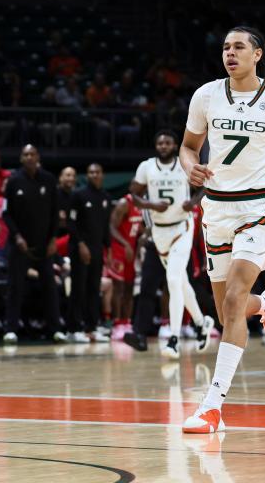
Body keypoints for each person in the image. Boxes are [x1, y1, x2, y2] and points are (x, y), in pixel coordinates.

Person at [180, 27, 265, 434]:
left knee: (235, 299)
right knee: (227, 312)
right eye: (225, 47)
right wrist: (190, 167)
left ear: (257, 54)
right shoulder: (205, 95)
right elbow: (188, 146)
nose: (229, 53)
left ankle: (212, 406)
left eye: (238, 47)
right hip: (215, 209)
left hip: (258, 207)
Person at [123, 130, 213, 358]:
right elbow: (134, 194)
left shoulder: (184, 164)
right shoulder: (146, 167)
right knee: (181, 283)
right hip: (159, 231)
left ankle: (173, 340)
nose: (163, 145)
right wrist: (151, 205)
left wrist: (192, 202)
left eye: (168, 142)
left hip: (182, 227)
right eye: (160, 142)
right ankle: (202, 323)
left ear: (174, 146)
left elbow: (206, 185)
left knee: (173, 280)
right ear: (156, 145)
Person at [2, 145, 66, 344]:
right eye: (25, 154)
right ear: (21, 158)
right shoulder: (13, 181)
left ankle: (55, 329)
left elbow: (55, 213)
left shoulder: (48, 179)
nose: (29, 157)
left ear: (38, 157)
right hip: (20, 244)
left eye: (32, 154)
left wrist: (53, 239)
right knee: (15, 287)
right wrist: (17, 237)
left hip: (44, 244)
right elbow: (7, 213)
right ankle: (11, 329)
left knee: (50, 287)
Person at [68, 163, 112, 343]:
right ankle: (74, 329)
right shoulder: (78, 195)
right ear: (87, 175)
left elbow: (105, 226)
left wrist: (107, 249)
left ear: (102, 175)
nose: (94, 175)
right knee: (78, 289)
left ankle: (92, 327)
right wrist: (80, 244)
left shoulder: (105, 197)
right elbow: (71, 223)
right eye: (91, 172)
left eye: (97, 172)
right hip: (80, 250)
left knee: (94, 289)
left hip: (97, 249)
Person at [106, 193, 143, 341]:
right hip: (118, 249)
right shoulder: (124, 203)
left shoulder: (143, 205)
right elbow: (111, 227)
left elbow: (137, 227)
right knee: (118, 288)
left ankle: (126, 322)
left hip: (131, 250)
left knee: (129, 287)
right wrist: (126, 244)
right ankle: (116, 323)